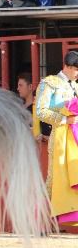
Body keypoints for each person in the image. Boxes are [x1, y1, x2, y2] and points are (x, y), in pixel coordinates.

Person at [34, 51, 78, 226]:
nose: (77, 73)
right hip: (59, 137)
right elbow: (41, 111)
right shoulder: (50, 83)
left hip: (75, 138)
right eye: (76, 69)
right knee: (54, 180)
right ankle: (40, 221)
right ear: (66, 66)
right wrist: (64, 119)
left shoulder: (76, 86)